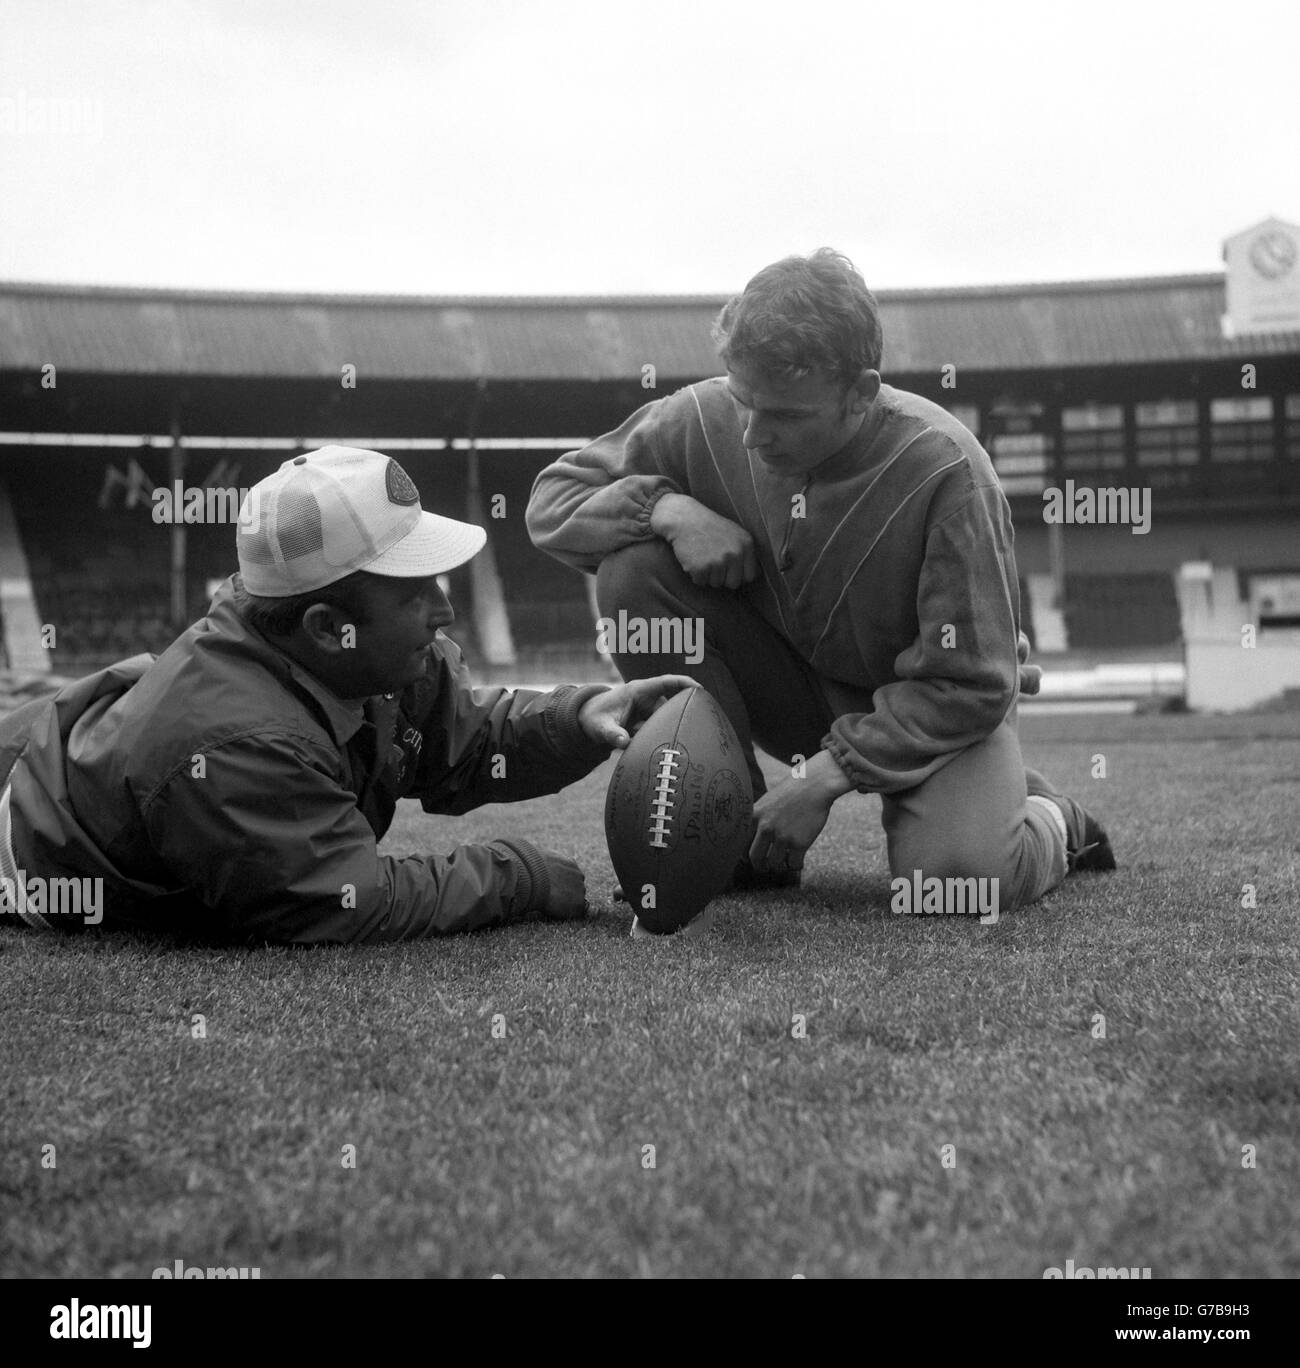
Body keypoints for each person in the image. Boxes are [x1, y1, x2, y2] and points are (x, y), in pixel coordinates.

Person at [526, 249, 1114, 916]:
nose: (750, 434)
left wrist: (820, 779)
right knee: (634, 570)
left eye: (782, 416)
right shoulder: (701, 417)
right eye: (743, 400)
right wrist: (665, 509)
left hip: (930, 707)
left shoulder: (949, 472)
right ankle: (733, 836)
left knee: (953, 884)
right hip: (787, 682)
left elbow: (976, 682)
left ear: (861, 393)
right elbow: (550, 502)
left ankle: (1053, 816)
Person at [0, 445, 691, 944]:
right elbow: (341, 899)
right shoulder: (237, 743)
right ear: (329, 629)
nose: (445, 612)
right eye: (415, 590)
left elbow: (467, 742)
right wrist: (520, 877)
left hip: (65, 738)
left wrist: (578, 717)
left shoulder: (374, 659)